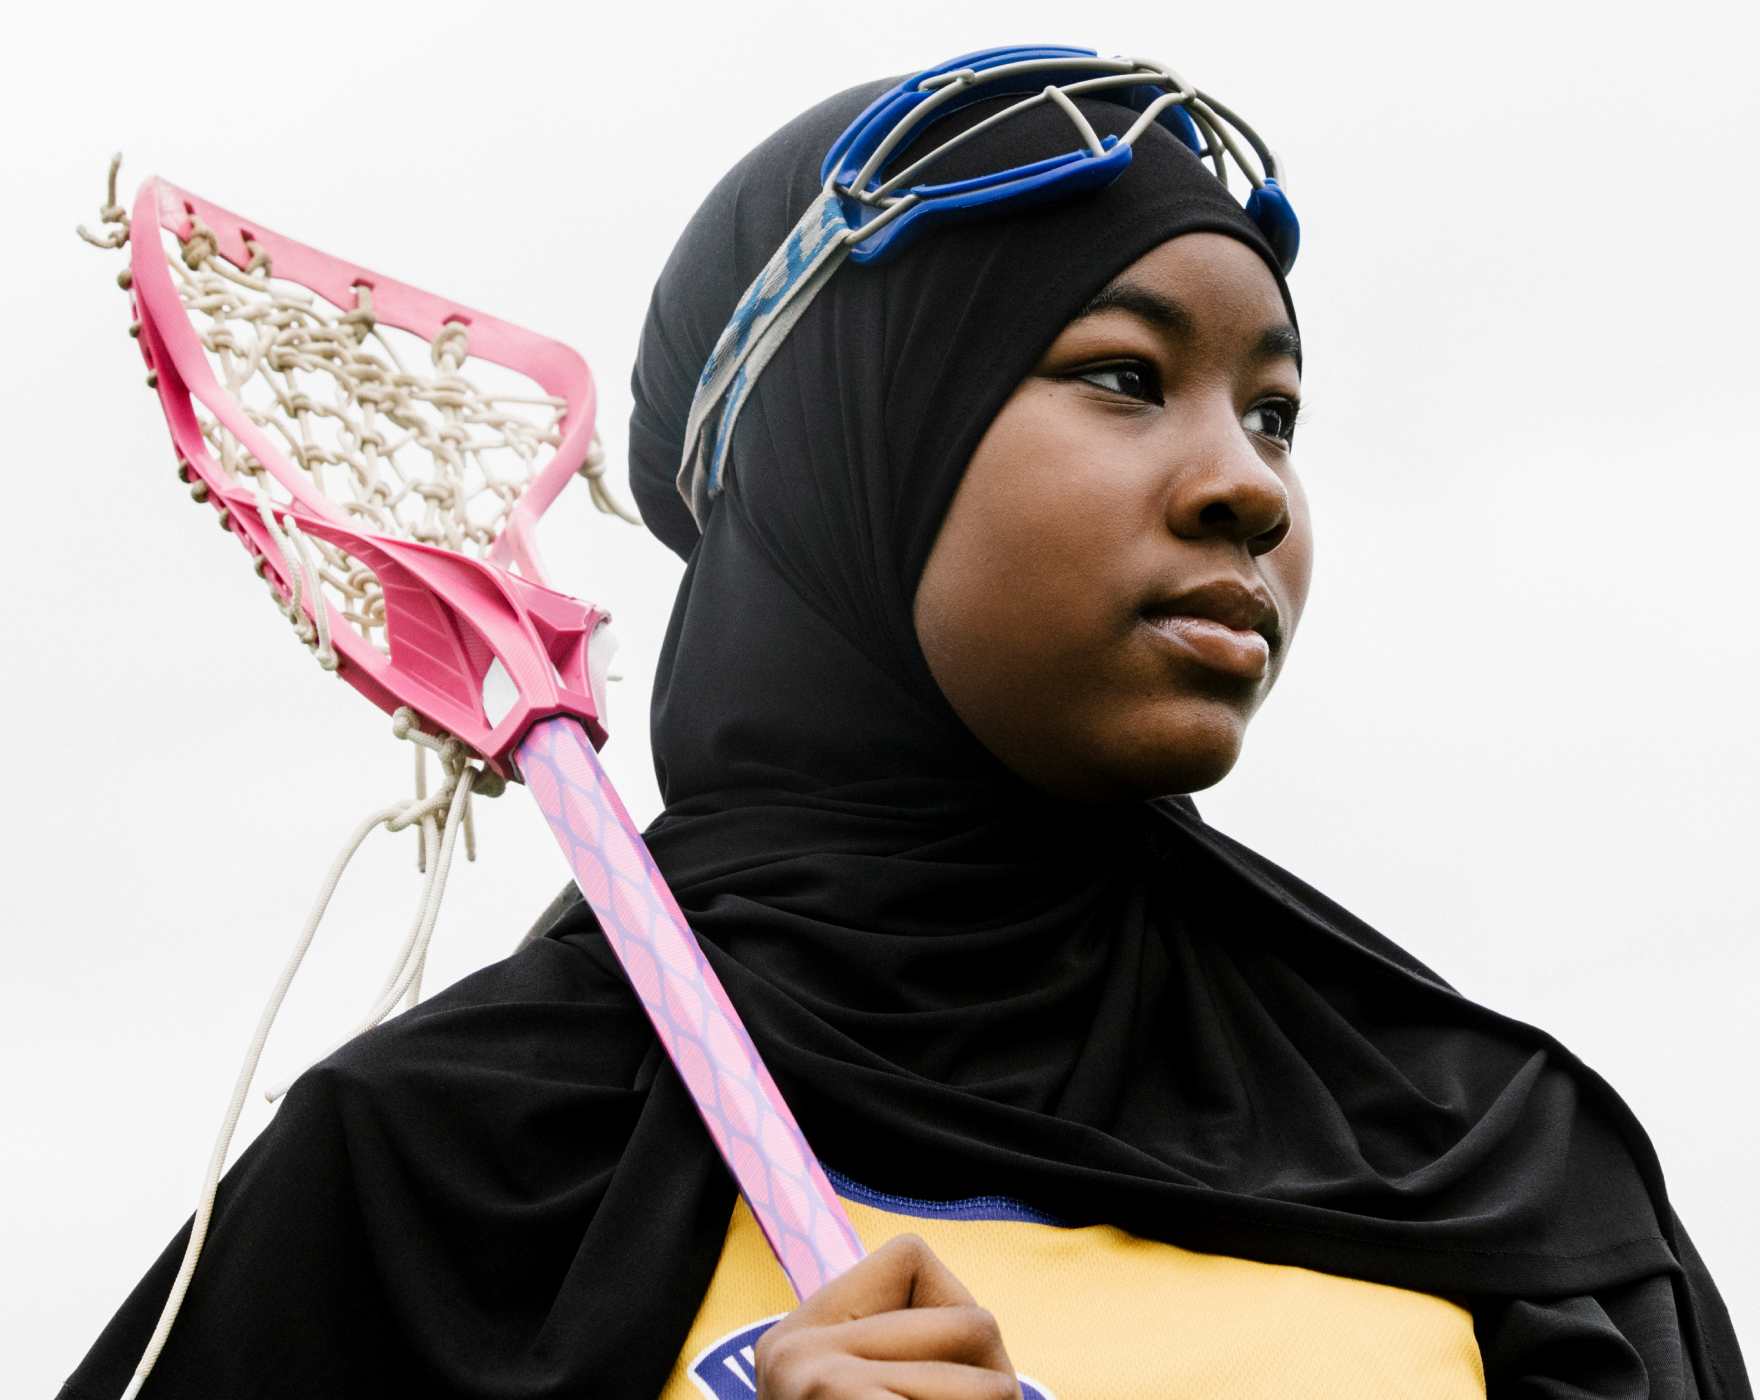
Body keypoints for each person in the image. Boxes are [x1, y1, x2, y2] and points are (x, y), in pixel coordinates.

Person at [60, 61, 1751, 1400]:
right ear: (844, 464)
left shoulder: (1503, 1173)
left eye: (1279, 411)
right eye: (1120, 373)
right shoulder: (431, 1175)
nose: (1249, 482)